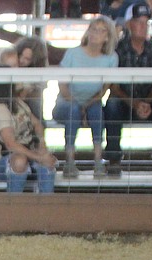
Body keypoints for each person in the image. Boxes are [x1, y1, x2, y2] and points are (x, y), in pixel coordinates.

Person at [105, 2, 152, 176]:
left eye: (146, 23)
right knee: (112, 104)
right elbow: (111, 85)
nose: (143, 27)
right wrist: (134, 103)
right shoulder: (116, 51)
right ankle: (114, 159)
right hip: (124, 103)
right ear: (129, 24)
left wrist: (145, 103)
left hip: (149, 104)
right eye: (139, 22)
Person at [53, 14, 119, 179]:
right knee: (73, 111)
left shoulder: (111, 58)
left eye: (101, 31)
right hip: (66, 102)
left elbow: (105, 89)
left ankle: (98, 161)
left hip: (92, 102)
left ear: (107, 37)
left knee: (97, 110)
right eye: (93, 29)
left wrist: (88, 104)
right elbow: (62, 85)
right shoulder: (73, 53)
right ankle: (69, 162)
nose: (96, 33)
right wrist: (76, 104)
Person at [0, 80, 57, 192]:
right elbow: (10, 144)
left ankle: (46, 203)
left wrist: (42, 146)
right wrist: (39, 157)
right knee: (20, 161)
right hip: (3, 159)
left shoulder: (17, 102)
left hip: (29, 152)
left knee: (47, 160)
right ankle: (14, 204)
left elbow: (37, 124)